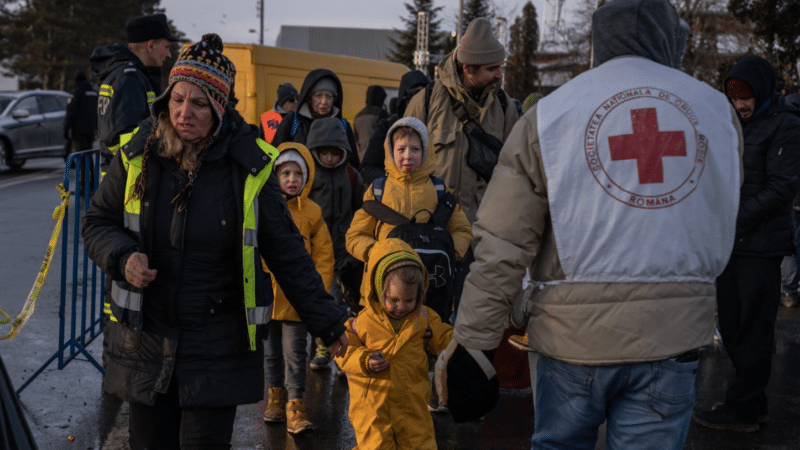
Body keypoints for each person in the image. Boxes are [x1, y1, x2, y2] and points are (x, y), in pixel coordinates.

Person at [441, 0, 743, 448]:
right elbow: (721, 212)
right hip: (672, 336)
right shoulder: (716, 111)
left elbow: (503, 242)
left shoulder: (550, 115)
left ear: (602, 38)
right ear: (671, 37)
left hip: (571, 342)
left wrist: (474, 343)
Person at [81, 34, 349, 449]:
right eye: (177, 99)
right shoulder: (138, 153)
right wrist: (122, 255)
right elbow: (97, 221)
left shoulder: (248, 167)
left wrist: (329, 324)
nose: (184, 112)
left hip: (216, 343)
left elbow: (288, 254)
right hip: (147, 339)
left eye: (199, 103)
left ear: (220, 109)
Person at [693, 55, 800, 433]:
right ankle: (753, 402)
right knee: (735, 326)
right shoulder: (738, 124)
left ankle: (742, 410)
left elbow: (781, 188)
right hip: (734, 243)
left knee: (752, 330)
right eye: (733, 96)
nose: (740, 104)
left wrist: (731, 217)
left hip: (761, 246)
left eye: (746, 97)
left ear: (762, 91)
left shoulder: (785, 125)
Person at [346, 116, 472, 321]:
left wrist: (450, 252)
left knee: (425, 344)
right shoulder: (379, 190)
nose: (408, 155)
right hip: (383, 291)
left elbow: (463, 230)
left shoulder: (439, 190)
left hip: (430, 291)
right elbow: (355, 236)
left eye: (415, 149)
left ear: (426, 152)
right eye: (401, 149)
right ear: (390, 151)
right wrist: (379, 254)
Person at [335, 238, 453, 450]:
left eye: (409, 301)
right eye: (393, 300)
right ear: (379, 289)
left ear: (420, 294)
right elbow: (343, 351)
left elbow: (446, 340)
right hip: (373, 409)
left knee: (421, 446)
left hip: (412, 407)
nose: (401, 307)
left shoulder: (424, 318)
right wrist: (364, 361)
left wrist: (465, 343)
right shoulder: (363, 322)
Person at [404, 17, 518, 225]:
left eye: (500, 67)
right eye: (492, 69)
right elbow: (400, 167)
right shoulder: (426, 102)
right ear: (468, 69)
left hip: (483, 230)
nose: (499, 75)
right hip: (434, 226)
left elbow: (515, 170)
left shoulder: (504, 106)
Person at [262, 142, 335, 434]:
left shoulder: (313, 213)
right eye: (285, 173)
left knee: (295, 353)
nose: (291, 179)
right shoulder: (265, 207)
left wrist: (316, 294)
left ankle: (295, 404)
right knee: (270, 354)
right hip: (267, 298)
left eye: (297, 173)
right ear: (275, 175)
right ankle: (275, 398)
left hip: (296, 301)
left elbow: (324, 256)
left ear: (307, 178)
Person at [305, 116, 365, 370]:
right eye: (324, 153)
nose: (329, 158)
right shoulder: (308, 175)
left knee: (351, 303)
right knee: (328, 300)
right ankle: (324, 345)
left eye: (334, 152)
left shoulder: (351, 175)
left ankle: (346, 350)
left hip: (345, 249)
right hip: (317, 252)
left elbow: (361, 210)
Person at [90, 13, 178, 176]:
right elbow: (121, 139)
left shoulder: (126, 74)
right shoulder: (130, 79)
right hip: (127, 179)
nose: (169, 55)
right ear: (150, 46)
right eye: (166, 47)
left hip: (122, 176)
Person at [272, 68, 360, 168]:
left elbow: (353, 164)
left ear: (334, 100)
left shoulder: (343, 125)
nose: (324, 101)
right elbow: (275, 155)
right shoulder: (292, 122)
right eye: (318, 96)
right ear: (309, 99)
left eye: (329, 96)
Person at [360, 70, 430, 186]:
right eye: (416, 93)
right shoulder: (388, 126)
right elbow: (367, 167)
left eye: (425, 94)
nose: (421, 99)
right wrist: (392, 183)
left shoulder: (435, 126)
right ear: (404, 97)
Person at [64, 70, 98, 155]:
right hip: (91, 129)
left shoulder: (76, 92)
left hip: (79, 130)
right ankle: (90, 168)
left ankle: (84, 169)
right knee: (89, 153)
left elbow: (71, 112)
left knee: (81, 154)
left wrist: (66, 128)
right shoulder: (93, 92)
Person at [353, 85, 388, 161]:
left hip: (363, 158)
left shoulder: (358, 116)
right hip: (378, 159)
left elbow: (356, 140)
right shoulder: (381, 113)